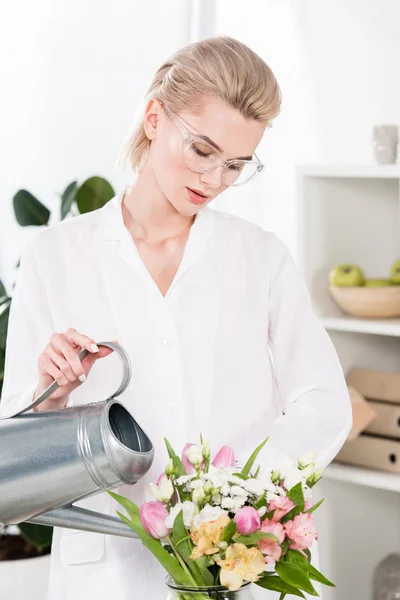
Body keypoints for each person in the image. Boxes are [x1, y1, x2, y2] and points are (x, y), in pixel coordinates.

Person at [0, 36, 352, 600]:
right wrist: (53, 394)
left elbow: (324, 403)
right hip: (109, 570)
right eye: (202, 150)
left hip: (238, 570)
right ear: (153, 117)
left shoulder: (260, 257)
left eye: (236, 165)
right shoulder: (56, 256)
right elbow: (12, 452)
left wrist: (240, 503)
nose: (214, 179)